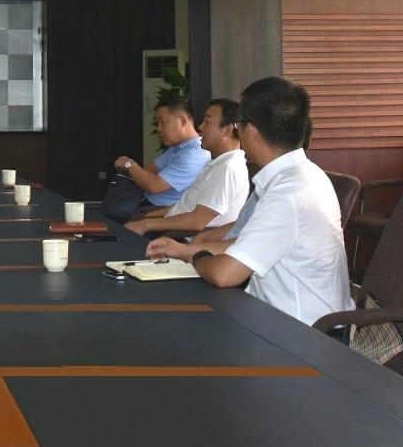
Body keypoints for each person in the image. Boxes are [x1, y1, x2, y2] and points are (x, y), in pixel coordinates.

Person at [146, 77, 353, 326]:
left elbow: (224, 274)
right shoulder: (301, 176)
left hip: (301, 332)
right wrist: (182, 250)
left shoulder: (288, 194)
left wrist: (196, 256)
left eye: (239, 124)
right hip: (280, 317)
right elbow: (245, 245)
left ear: (251, 130)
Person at [124, 99, 248, 237]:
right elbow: (186, 205)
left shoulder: (228, 169)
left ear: (227, 130)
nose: (200, 127)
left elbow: (197, 221)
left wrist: (145, 224)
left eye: (207, 121)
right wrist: (148, 216)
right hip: (172, 224)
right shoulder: (219, 164)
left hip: (181, 238)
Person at [105, 98, 210, 222]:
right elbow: (148, 173)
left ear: (182, 121)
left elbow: (153, 186)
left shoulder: (193, 156)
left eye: (163, 122)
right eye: (158, 123)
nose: (159, 129)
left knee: (111, 222)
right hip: (144, 202)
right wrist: (137, 171)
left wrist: (129, 164)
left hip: (161, 212)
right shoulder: (178, 147)